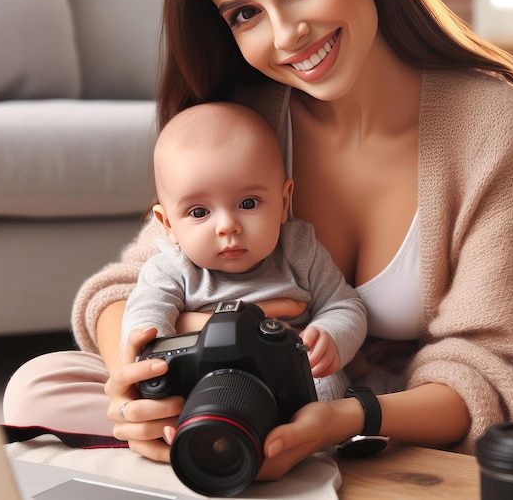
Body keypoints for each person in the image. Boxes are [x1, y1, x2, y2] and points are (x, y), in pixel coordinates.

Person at [4, 0, 513, 481]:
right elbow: (130, 286)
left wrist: (347, 418)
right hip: (247, 392)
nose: (286, 33)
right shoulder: (245, 118)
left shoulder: (492, 122)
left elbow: (497, 359)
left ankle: (296, 457)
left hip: (412, 407)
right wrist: (143, 383)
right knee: (37, 387)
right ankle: (238, 447)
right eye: (245, 14)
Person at [121, 101, 366, 402]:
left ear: (284, 201)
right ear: (168, 224)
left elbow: (345, 306)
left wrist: (330, 336)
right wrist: (155, 352)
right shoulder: (170, 268)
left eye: (248, 203)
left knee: (328, 384)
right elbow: (144, 318)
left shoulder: (300, 250)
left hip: (289, 379)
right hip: (207, 381)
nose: (227, 226)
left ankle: (318, 436)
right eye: (199, 212)